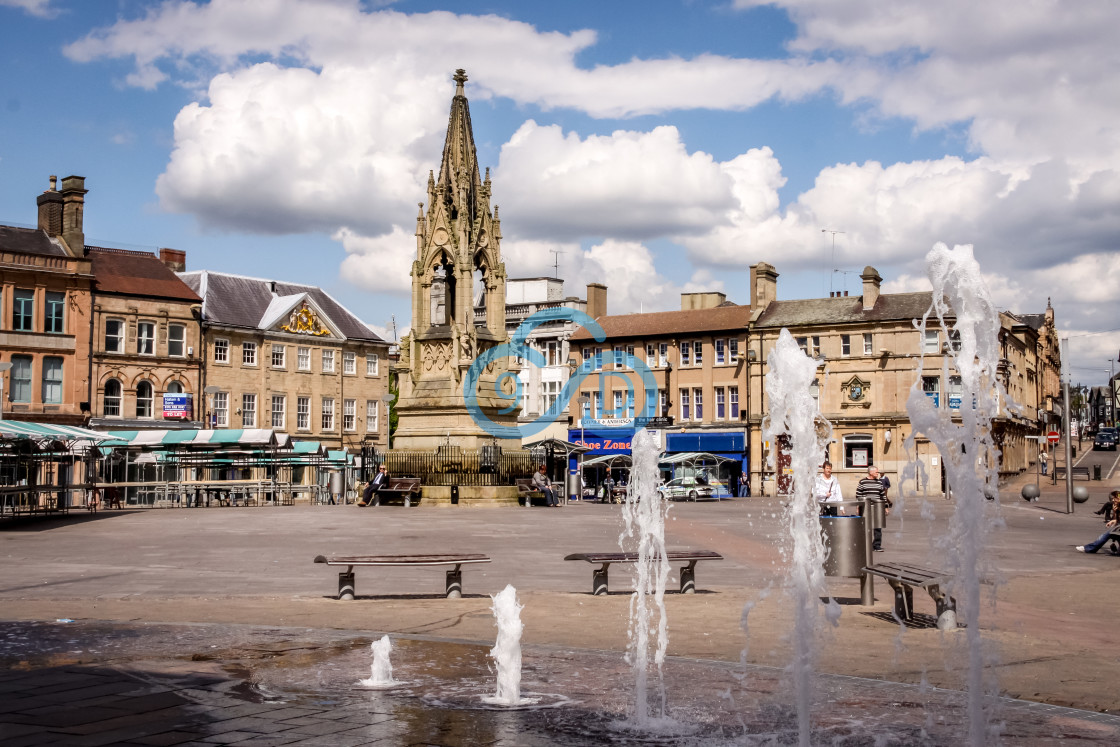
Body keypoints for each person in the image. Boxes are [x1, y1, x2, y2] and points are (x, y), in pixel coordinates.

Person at [856, 465, 892, 551]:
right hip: (865, 507)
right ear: (871, 472)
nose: (878, 473)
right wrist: (858, 507)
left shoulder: (879, 482)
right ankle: (865, 545)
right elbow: (858, 495)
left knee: (878, 527)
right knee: (865, 527)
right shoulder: (862, 482)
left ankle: (876, 545)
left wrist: (886, 507)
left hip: (877, 507)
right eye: (876, 472)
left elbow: (883, 496)